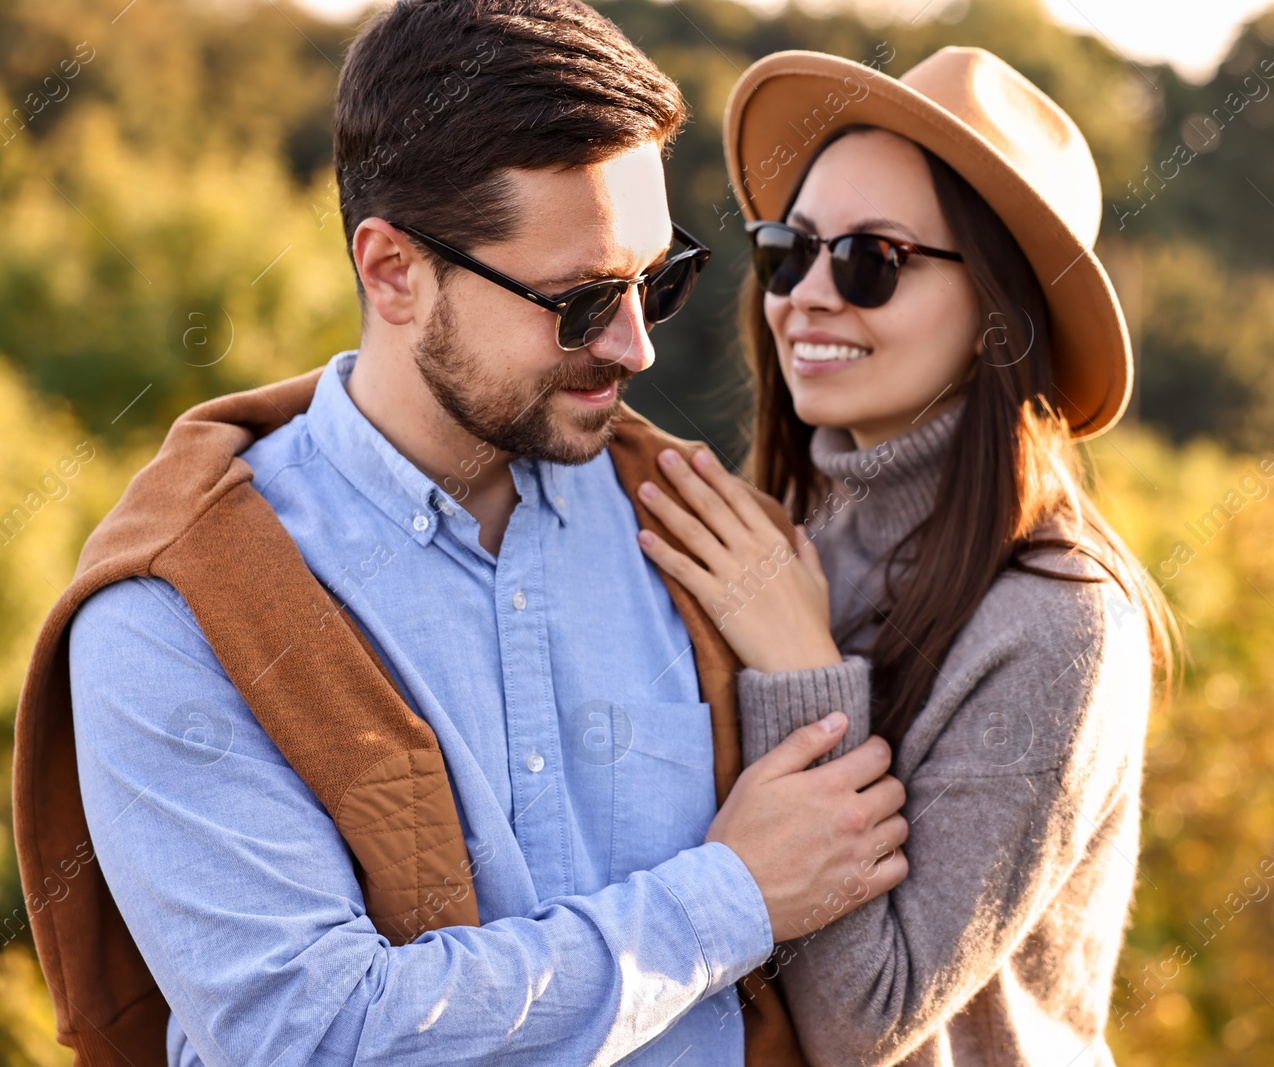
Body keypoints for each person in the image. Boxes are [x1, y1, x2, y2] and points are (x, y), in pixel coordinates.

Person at [13, 4, 907, 1066]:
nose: (635, 347)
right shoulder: (173, 614)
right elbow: (316, 1036)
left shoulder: (711, 545)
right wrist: (730, 895)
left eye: (658, 282)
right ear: (392, 269)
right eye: (580, 301)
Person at [631, 47, 1175, 1065]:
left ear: (996, 317)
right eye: (789, 249)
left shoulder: (1059, 620)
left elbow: (863, 1023)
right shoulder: (771, 542)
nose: (806, 296)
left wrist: (802, 674)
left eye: (871, 260)